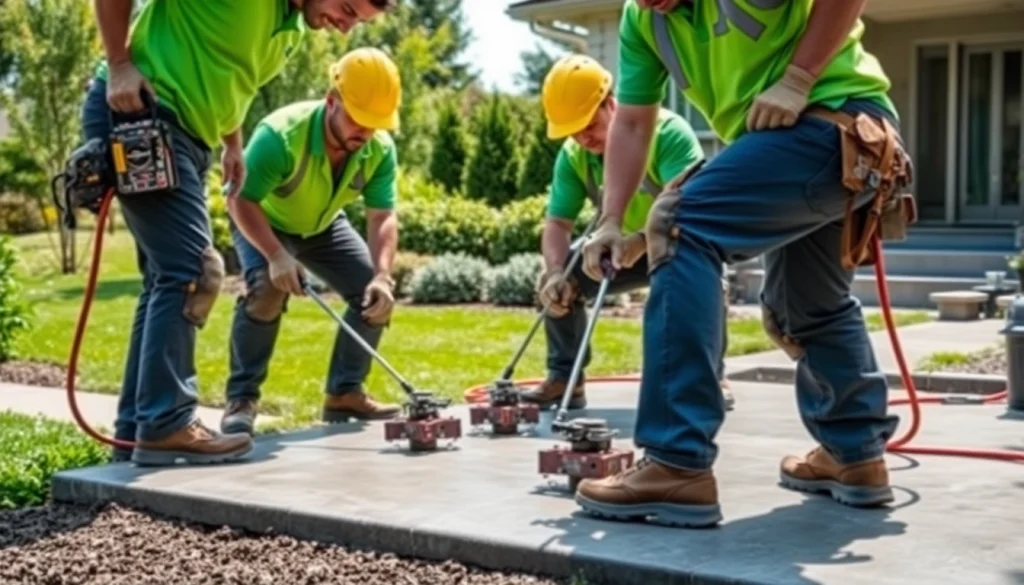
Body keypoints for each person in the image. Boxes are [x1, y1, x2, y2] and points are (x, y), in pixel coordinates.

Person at [575, 0, 913, 528]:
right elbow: (634, 124)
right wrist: (611, 220)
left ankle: (675, 460)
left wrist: (799, 78)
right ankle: (854, 456)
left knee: (677, 225)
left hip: (834, 122)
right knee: (807, 303)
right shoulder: (643, 21)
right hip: (811, 146)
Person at [81, 0, 394, 466]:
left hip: (191, 135)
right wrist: (121, 64)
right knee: (194, 271)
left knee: (168, 278)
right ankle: (166, 423)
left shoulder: (290, 30)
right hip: (143, 110)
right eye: (346, 8)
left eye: (358, 21)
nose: (345, 28)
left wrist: (231, 142)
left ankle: (138, 429)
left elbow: (231, 78)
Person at [526, 54, 736, 412]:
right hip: (618, 251)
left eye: (589, 124)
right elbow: (557, 224)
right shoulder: (575, 156)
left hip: (680, 242)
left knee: (706, 281)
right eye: (572, 131)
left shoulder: (667, 135)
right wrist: (556, 272)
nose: (581, 137)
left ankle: (711, 377)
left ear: (610, 103)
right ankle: (565, 379)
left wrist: (640, 242)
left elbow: (690, 209)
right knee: (560, 284)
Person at [219, 48, 404, 436]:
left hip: (322, 225)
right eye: (358, 119)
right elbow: (239, 198)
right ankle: (242, 399)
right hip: (262, 219)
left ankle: (345, 393)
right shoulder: (280, 136)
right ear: (331, 101)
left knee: (372, 293)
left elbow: (382, 216)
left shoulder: (378, 148)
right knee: (268, 289)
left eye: (375, 123)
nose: (366, 132)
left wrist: (383, 276)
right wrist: (275, 254)